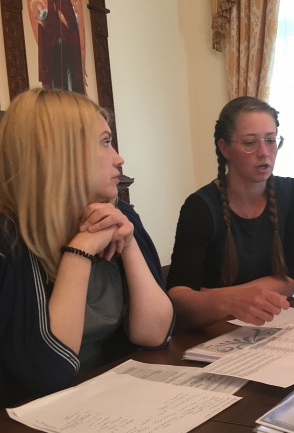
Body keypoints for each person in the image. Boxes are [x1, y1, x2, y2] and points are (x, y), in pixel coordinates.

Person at [0, 88, 174, 408]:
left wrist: (129, 245)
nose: (119, 158)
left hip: (108, 398)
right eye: (105, 142)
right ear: (59, 153)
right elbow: (49, 370)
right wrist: (79, 250)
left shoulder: (120, 215)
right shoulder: (10, 239)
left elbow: (155, 334)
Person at [167, 96, 294, 328]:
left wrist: (215, 295)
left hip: (272, 324)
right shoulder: (199, 206)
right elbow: (179, 298)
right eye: (250, 142)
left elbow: (291, 277)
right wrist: (230, 302)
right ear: (224, 148)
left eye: (270, 140)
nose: (264, 152)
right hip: (214, 330)